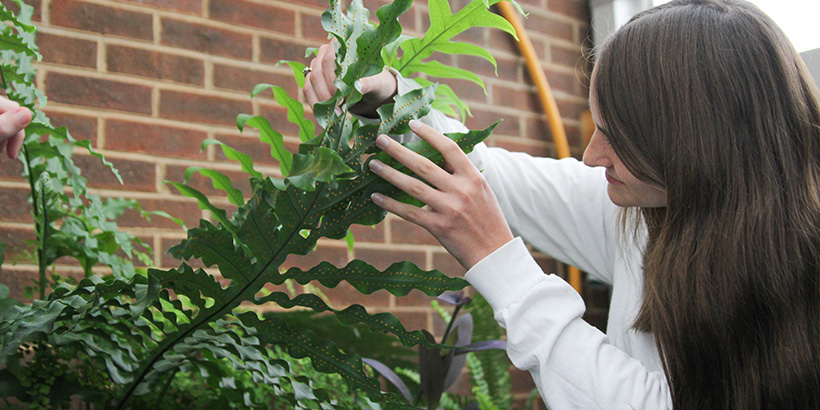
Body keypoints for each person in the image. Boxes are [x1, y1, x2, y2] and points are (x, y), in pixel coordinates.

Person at [304, 0, 820, 408]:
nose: (593, 155)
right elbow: (491, 173)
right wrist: (392, 101)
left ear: (698, 145)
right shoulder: (644, 210)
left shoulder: (795, 274)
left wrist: (502, 266)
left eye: (618, 136)